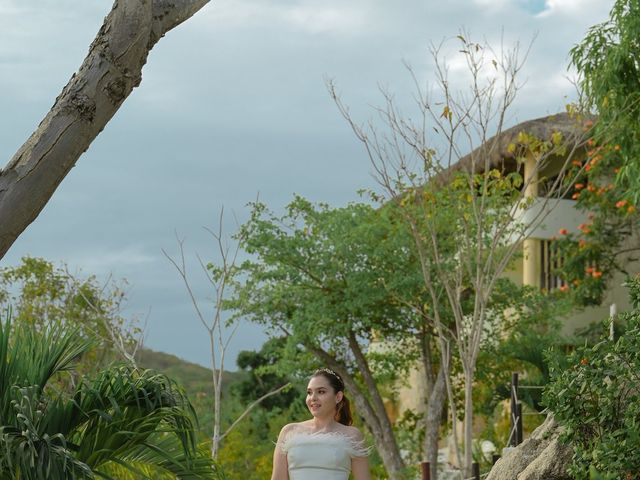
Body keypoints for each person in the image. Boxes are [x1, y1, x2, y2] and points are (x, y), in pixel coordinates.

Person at [271, 368, 371, 480]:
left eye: (321, 392)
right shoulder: (289, 432)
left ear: (338, 397)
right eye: (309, 392)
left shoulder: (352, 436)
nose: (313, 398)